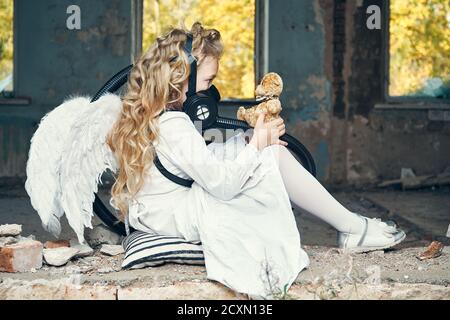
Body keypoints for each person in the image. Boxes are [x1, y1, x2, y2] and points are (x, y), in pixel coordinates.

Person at [106, 21, 405, 299]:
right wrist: (259, 143)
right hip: (180, 216)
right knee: (269, 154)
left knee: (254, 149)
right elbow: (222, 185)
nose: (209, 91)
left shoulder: (160, 115)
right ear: (182, 77)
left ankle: (350, 225)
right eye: (207, 81)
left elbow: (193, 162)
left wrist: (249, 141)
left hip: (166, 208)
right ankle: (351, 228)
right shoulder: (174, 125)